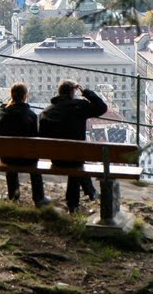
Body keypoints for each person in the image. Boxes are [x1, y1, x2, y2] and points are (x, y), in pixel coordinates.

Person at [38, 79, 108, 213]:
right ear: (72, 92)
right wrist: (85, 92)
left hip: (55, 158)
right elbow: (102, 107)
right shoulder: (79, 107)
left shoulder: (46, 112)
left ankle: (89, 193)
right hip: (74, 158)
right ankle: (74, 203)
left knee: (73, 157)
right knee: (75, 160)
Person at [0, 83, 50, 207]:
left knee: (10, 153)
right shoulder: (31, 115)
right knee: (33, 161)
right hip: (27, 159)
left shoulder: (1, 113)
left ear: (11, 95)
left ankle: (14, 196)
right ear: (25, 96)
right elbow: (34, 139)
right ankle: (39, 198)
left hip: (7, 157)